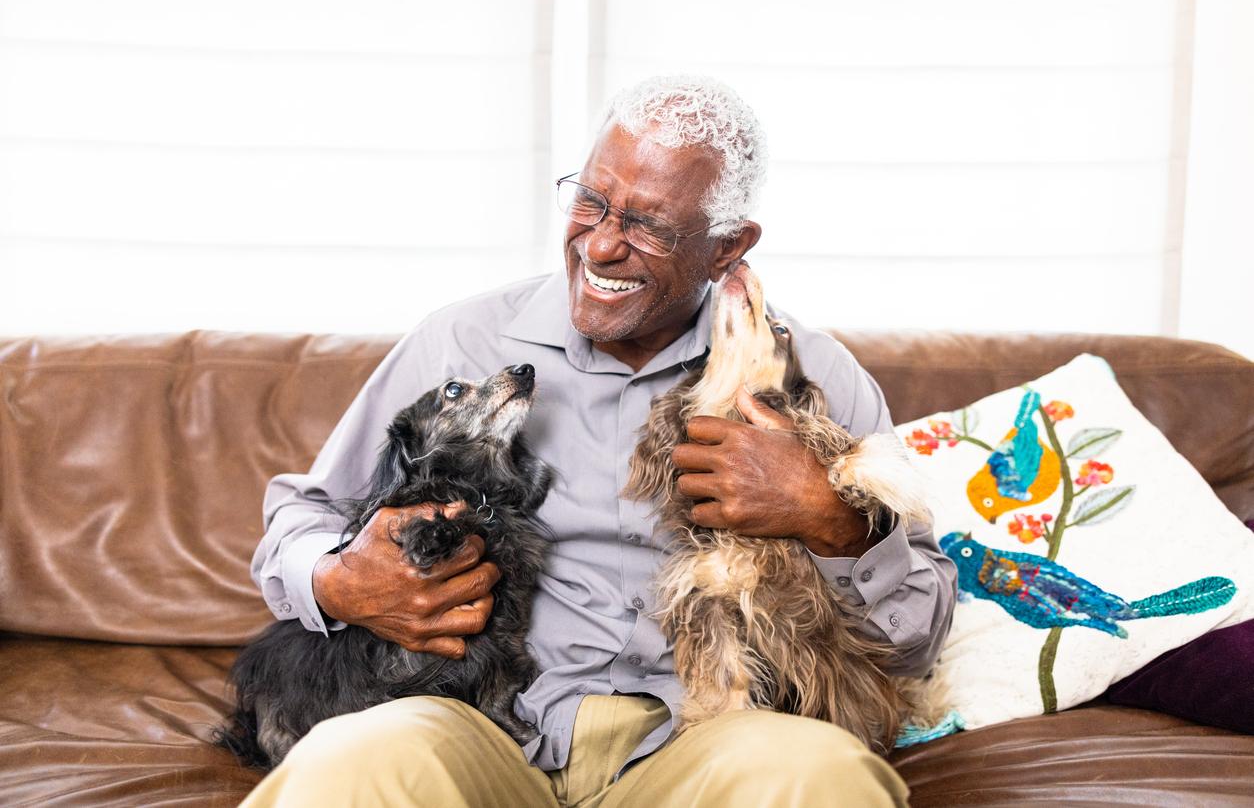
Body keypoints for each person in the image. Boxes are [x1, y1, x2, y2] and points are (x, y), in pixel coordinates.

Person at [243, 75, 956, 807]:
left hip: (706, 737)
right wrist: (334, 579)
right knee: (351, 762)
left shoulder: (810, 373)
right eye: (590, 200)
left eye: (649, 225)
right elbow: (304, 518)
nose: (602, 244)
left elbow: (918, 633)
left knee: (822, 775)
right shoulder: (462, 342)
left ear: (726, 246)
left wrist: (829, 518)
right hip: (486, 728)